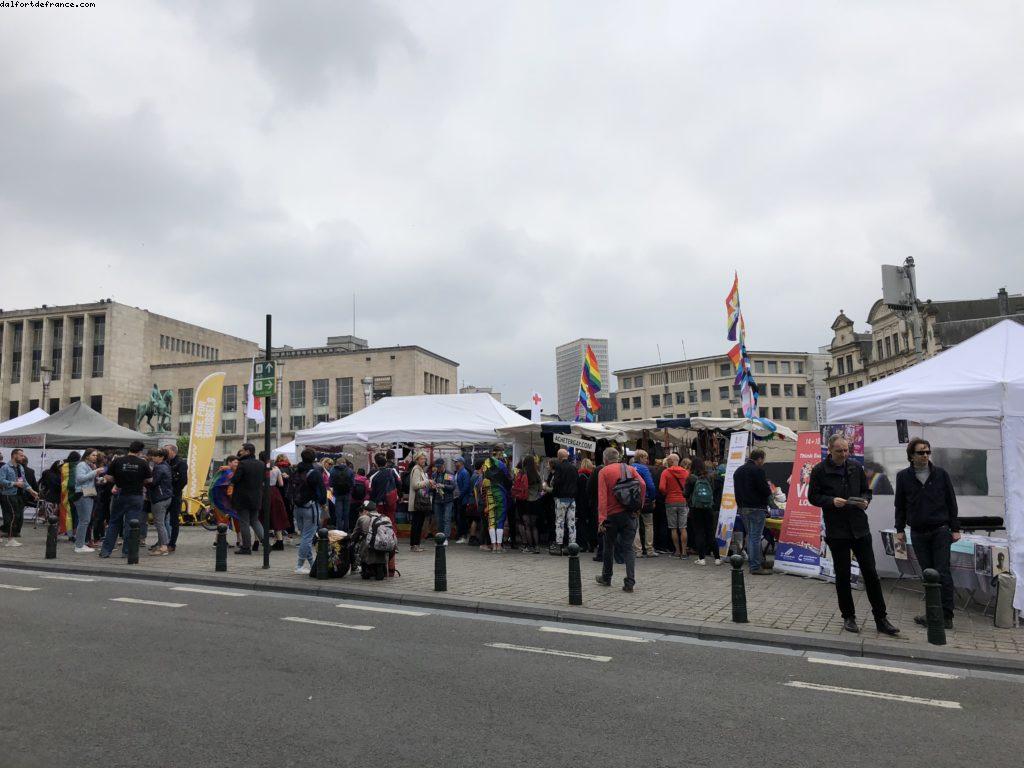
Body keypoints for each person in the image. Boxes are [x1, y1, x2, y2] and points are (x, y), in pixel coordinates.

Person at [809, 434, 899, 636]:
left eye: (846, 450)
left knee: (871, 574)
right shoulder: (819, 471)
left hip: (860, 528)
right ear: (830, 450)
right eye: (839, 451)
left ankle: (881, 618)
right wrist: (831, 501)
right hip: (837, 530)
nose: (844, 454)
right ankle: (848, 617)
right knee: (842, 575)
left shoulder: (855, 467)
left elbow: (866, 491)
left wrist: (866, 500)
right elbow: (813, 497)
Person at [894, 437, 960, 629]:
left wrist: (955, 528)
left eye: (927, 452)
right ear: (911, 456)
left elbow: (951, 501)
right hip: (918, 532)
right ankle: (933, 613)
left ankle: (946, 616)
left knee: (942, 572)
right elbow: (900, 505)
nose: (925, 455)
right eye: (920, 452)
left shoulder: (941, 474)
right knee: (927, 574)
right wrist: (899, 529)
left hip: (940, 530)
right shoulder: (903, 477)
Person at [595, 447, 645, 592]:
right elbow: (642, 484)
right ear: (618, 458)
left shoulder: (604, 472)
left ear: (605, 460)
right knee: (628, 548)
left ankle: (607, 577)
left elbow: (602, 497)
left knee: (609, 546)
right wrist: (638, 506)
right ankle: (630, 581)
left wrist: (602, 519)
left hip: (611, 515)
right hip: (630, 513)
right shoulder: (629, 468)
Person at [99, 441, 152, 558]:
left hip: (120, 494)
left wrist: (118, 482)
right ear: (140, 451)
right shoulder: (143, 463)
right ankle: (127, 552)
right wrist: (138, 481)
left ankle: (105, 551)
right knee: (131, 524)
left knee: (114, 522)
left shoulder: (117, 461)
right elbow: (149, 480)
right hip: (136, 495)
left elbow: (107, 477)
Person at [732, 448, 773, 575]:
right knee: (755, 537)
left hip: (743, 507)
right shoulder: (758, 470)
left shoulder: (738, 471)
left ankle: (759, 561)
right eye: (763, 460)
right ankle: (755, 566)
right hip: (756, 507)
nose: (763, 462)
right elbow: (765, 490)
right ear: (759, 459)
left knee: (751, 536)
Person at [292, 448, 326, 574]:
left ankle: (312, 564)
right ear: (314, 458)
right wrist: (323, 504)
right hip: (310, 507)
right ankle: (299, 566)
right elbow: (322, 491)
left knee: (304, 537)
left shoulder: (296, 470)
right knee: (307, 538)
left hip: (297, 507)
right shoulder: (315, 472)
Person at [683, 458, 721, 565]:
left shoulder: (691, 478)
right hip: (709, 507)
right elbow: (712, 490)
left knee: (699, 532)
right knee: (710, 532)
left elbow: (685, 494)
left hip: (695, 508)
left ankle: (701, 558)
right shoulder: (709, 477)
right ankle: (717, 558)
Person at [230, 443, 265, 554]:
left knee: (244, 522)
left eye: (243, 451)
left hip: (243, 498)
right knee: (255, 520)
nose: (241, 452)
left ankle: (246, 547)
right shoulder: (261, 464)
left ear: (248, 452)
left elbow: (235, 479)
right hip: (257, 497)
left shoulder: (243, 464)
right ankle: (266, 543)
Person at [1, 448, 36, 545]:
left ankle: (4, 534)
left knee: (17, 516)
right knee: (12, 516)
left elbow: (23, 481)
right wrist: (14, 483)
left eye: (23, 455)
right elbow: (1, 481)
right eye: (21, 455)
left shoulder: (20, 467)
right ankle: (10, 539)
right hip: (8, 495)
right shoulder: (5, 468)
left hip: (19, 495)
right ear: (14, 455)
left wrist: (32, 491)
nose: (23, 457)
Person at [72, 450, 105, 554]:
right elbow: (80, 479)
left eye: (96, 455)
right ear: (87, 456)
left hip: (88, 493)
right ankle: (79, 546)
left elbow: (90, 480)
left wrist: (100, 479)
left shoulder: (89, 465)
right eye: (93, 455)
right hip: (82, 493)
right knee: (84, 520)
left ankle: (81, 544)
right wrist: (95, 472)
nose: (95, 457)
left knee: (85, 520)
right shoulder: (82, 464)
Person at [659, 454, 690, 558]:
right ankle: (684, 552)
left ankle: (677, 551)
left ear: (670, 461)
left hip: (670, 501)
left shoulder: (666, 472)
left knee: (673, 528)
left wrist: (668, 493)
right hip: (682, 500)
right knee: (683, 527)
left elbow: (662, 488)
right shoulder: (685, 472)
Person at [550, 449, 579, 554]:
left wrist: (554, 493)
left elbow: (556, 482)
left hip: (561, 499)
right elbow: (577, 483)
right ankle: (572, 546)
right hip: (572, 499)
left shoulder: (559, 467)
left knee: (560, 522)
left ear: (559, 457)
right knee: (571, 523)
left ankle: (559, 546)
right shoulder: (574, 468)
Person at [480, 447, 509, 553]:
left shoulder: (485, 464)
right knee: (500, 519)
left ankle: (493, 545)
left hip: (489, 493)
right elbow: (508, 478)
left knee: (491, 520)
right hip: (500, 493)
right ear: (499, 453)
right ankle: (499, 545)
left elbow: (482, 479)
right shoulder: (501, 465)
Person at [631, 450, 657, 557]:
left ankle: (638, 551)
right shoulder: (644, 469)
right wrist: (652, 498)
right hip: (645, 500)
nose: (647, 460)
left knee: (635, 526)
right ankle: (649, 550)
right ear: (641, 458)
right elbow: (650, 485)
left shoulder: (629, 467)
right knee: (648, 525)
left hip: (632, 500)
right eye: (645, 458)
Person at [147, 448, 173, 555]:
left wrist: (146, 481)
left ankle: (163, 547)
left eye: (155, 456)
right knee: (162, 522)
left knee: (159, 523)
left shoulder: (159, 468)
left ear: (161, 457)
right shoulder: (166, 466)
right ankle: (162, 545)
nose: (153, 458)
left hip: (159, 498)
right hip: (166, 497)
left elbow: (154, 483)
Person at [263, 451, 290, 549]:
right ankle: (280, 541)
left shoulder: (261, 469)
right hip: (275, 492)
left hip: (264, 492)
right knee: (276, 516)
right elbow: (281, 484)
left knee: (262, 517)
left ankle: (258, 542)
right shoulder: (276, 469)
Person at [164, 443, 187, 553]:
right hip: (164, 495)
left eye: (166, 451)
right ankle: (163, 541)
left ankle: (172, 543)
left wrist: (174, 491)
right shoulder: (165, 461)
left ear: (173, 451)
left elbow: (183, 480)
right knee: (161, 519)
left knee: (173, 520)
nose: (164, 453)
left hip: (174, 495)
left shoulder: (180, 463)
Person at [517, 456, 542, 553]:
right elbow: (540, 489)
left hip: (525, 501)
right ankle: (537, 546)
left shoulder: (522, 473)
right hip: (536, 501)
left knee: (527, 525)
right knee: (534, 525)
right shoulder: (537, 474)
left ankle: (529, 547)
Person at [407, 452, 431, 552]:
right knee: (417, 524)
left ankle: (416, 544)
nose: (424, 460)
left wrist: (429, 483)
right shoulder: (416, 469)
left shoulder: (420, 469)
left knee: (419, 523)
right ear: (417, 460)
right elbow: (415, 485)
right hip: (417, 502)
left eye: (425, 459)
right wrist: (427, 482)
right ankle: (414, 545)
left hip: (420, 501)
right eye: (422, 459)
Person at [429, 458, 456, 543]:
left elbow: (453, 487)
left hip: (448, 500)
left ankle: (445, 538)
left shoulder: (449, 474)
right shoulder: (434, 475)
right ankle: (440, 537)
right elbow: (430, 488)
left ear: (443, 465)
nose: (438, 468)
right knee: (439, 519)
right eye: (437, 467)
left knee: (447, 519)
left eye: (440, 467)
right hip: (437, 500)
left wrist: (443, 486)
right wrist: (432, 487)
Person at [329, 458, 355, 532]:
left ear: (337, 463)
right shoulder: (350, 471)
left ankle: (338, 531)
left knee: (338, 514)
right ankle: (346, 531)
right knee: (346, 514)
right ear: (345, 463)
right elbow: (353, 484)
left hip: (337, 494)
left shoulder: (333, 470)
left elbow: (330, 484)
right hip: (347, 494)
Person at [576, 458, 595, 552]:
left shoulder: (580, 476)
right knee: (591, 524)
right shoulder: (592, 476)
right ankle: (592, 544)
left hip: (581, 504)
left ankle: (583, 544)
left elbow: (578, 492)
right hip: (591, 504)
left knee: (581, 524)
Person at [453, 457, 473, 544]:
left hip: (462, 499)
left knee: (462, 518)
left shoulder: (464, 473)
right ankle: (461, 535)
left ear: (461, 462)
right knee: (459, 517)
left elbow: (466, 486)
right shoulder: (458, 472)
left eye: (456, 462)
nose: (455, 463)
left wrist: (460, 496)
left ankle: (464, 536)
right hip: (458, 498)